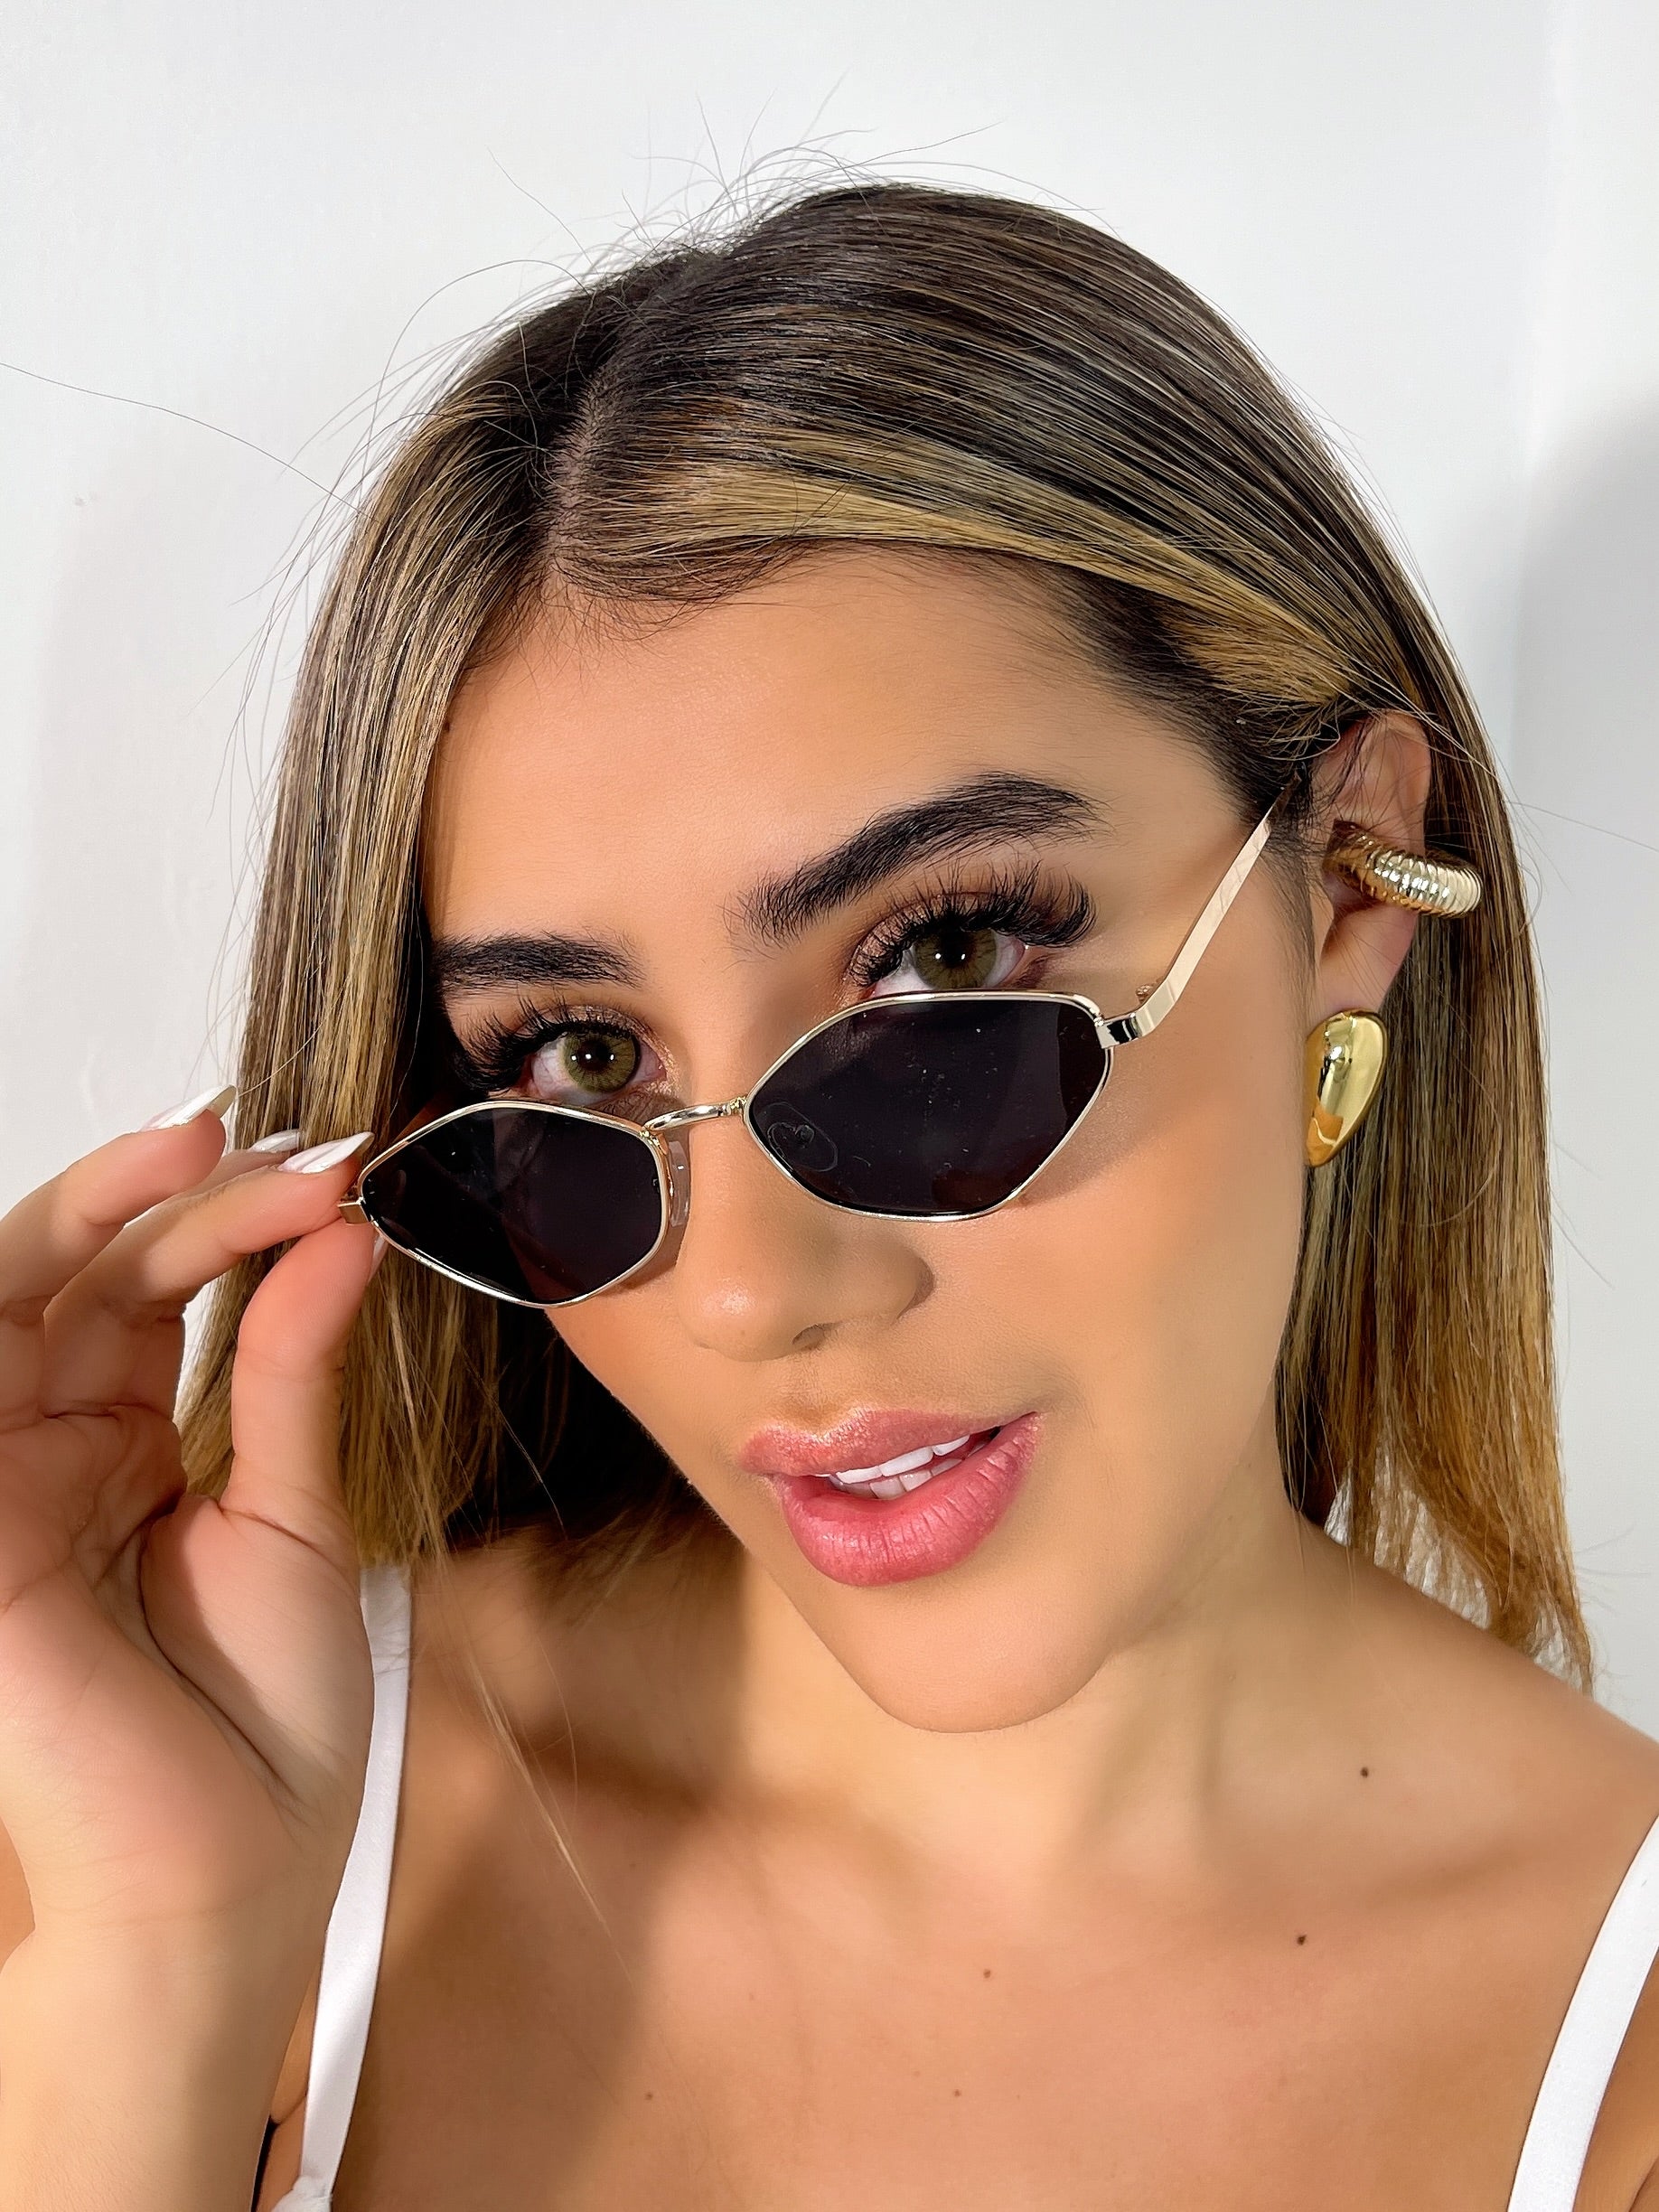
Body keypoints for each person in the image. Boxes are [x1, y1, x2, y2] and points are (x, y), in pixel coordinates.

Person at [0, 180, 1654, 2212]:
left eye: (944, 967)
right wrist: (153, 1983)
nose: (748, 1291)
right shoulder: (157, 1827)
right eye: (581, 1058)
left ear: (1343, 881)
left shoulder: (1616, 2047)